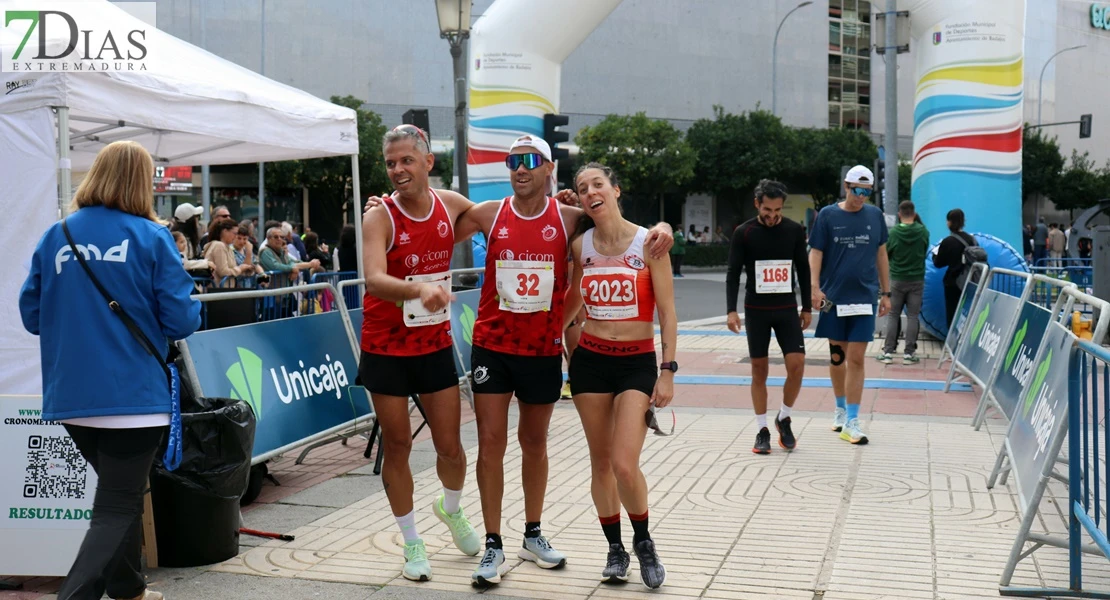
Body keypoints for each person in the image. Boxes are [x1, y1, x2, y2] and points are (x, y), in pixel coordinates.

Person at [365, 135, 673, 586]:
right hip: (492, 346)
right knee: (491, 444)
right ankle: (493, 544)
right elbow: (423, 209)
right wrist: (386, 201)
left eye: (531, 161)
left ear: (549, 168)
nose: (520, 168)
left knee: (535, 443)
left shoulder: (570, 218)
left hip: (542, 349)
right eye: (513, 161)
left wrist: (663, 227)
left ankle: (533, 533)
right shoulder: (487, 213)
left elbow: (620, 224)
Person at [19, 141, 201, 600]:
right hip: (134, 396)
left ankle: (129, 589)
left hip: (72, 397)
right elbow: (181, 321)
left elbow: (31, 315)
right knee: (117, 504)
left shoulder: (56, 234)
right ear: (142, 182)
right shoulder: (151, 236)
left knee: (116, 498)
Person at [360, 124, 481, 582]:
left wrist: (559, 202)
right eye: (391, 163)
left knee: (450, 446)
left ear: (428, 162)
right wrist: (419, 289)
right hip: (386, 348)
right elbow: (373, 278)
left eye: (407, 160)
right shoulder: (380, 217)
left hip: (432, 347)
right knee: (399, 445)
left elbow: (501, 216)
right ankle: (412, 542)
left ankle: (450, 510)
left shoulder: (449, 204)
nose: (397, 170)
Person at [562, 162, 677, 589]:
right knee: (600, 464)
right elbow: (571, 305)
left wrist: (667, 372)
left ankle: (644, 543)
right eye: (582, 187)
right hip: (591, 362)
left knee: (624, 464)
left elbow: (667, 313)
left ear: (615, 190)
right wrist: (546, 335)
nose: (591, 191)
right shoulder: (581, 247)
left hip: (636, 363)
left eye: (598, 184)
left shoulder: (650, 243)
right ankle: (615, 549)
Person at [725, 179, 811, 454]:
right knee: (759, 370)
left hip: (787, 308)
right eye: (767, 210)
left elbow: (804, 270)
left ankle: (783, 416)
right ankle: (762, 428)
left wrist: (806, 307)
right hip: (756, 310)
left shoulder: (794, 230)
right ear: (757, 204)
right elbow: (732, 274)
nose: (773, 216)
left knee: (797, 365)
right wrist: (731, 310)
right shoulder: (744, 232)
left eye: (777, 210)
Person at [808, 165, 891, 446]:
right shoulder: (828, 215)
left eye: (867, 192)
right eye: (857, 191)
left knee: (857, 358)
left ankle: (853, 421)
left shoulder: (875, 215)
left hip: (864, 298)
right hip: (834, 298)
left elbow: (881, 254)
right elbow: (816, 252)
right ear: (846, 186)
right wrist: (814, 287)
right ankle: (840, 408)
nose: (862, 197)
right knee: (837, 357)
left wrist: (887, 292)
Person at [877, 201, 929, 365]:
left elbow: (887, 254)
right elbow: (924, 251)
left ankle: (888, 353)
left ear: (899, 214)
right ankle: (909, 354)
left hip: (897, 279)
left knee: (893, 315)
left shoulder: (894, 233)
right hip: (916, 279)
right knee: (913, 316)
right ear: (914, 214)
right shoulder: (923, 232)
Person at [932, 208, 976, 328]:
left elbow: (938, 263)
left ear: (950, 222)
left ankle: (952, 341)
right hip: (970, 281)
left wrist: (934, 255)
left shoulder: (948, 241)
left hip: (952, 282)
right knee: (968, 311)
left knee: (952, 311)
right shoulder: (971, 239)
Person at [204, 219, 254, 285]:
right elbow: (223, 271)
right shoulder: (219, 246)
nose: (235, 236)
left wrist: (245, 269)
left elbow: (233, 270)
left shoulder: (228, 248)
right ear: (225, 231)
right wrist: (240, 268)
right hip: (219, 290)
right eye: (234, 233)